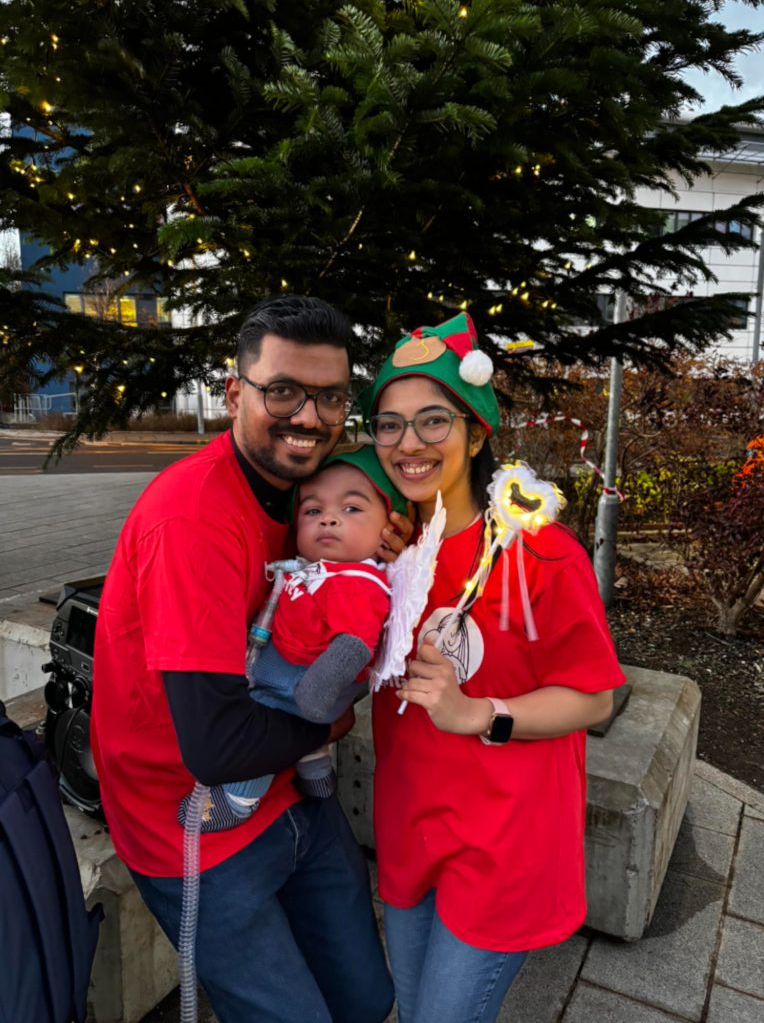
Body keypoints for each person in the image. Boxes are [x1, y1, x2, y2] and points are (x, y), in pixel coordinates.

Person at [91, 295, 404, 1023]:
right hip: (198, 821)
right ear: (235, 393)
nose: (308, 416)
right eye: (283, 391)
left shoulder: (304, 493)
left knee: (367, 998)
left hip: (292, 796)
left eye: (329, 397)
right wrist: (332, 727)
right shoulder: (194, 518)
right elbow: (217, 745)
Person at [358, 312, 625, 1023]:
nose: (408, 443)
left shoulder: (539, 551)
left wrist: (481, 714)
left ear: (476, 433)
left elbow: (596, 698)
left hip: (502, 847)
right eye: (388, 424)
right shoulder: (389, 549)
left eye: (432, 421)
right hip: (412, 832)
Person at [184, 445, 407, 831]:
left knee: (266, 717)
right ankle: (315, 770)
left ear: (387, 528)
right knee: (292, 724)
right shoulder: (324, 569)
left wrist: (314, 697)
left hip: (299, 683)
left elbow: (354, 643)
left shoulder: (359, 584)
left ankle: (241, 798)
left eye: (351, 509)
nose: (329, 520)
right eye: (313, 511)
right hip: (289, 665)